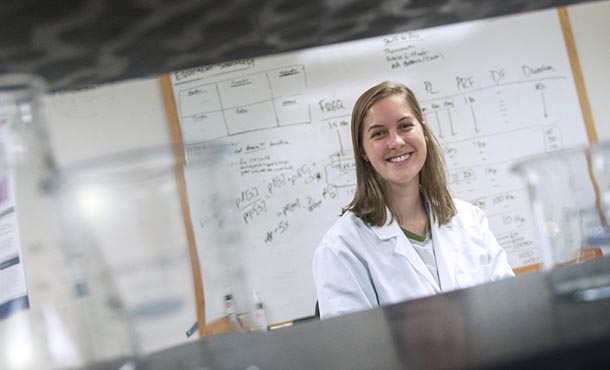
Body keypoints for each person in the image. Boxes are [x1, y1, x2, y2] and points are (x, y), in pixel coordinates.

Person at [312, 81, 514, 319]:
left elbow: (510, 309)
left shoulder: (471, 220)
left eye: (405, 126)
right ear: (363, 151)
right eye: (379, 133)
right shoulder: (341, 249)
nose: (396, 142)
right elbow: (354, 348)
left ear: (424, 133)